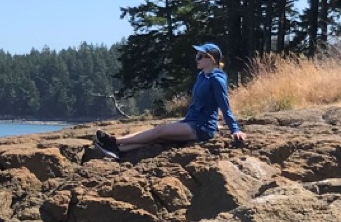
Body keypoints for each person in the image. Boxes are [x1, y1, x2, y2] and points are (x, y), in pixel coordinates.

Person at [94, 43, 245, 159]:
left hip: (202, 127)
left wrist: (235, 130)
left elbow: (225, 106)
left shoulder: (217, 80)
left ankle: (114, 141)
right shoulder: (202, 76)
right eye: (197, 55)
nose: (196, 58)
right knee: (159, 135)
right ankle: (119, 150)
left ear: (211, 59)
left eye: (200, 56)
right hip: (191, 120)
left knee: (159, 131)